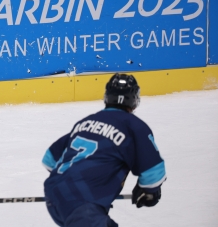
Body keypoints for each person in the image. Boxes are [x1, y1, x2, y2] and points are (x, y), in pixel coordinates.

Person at [42, 73, 166, 227]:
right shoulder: (134, 126)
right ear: (134, 100)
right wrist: (149, 191)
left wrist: (70, 184)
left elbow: (49, 159)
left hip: (54, 196)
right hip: (84, 206)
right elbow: (153, 171)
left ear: (107, 96)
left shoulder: (86, 122)